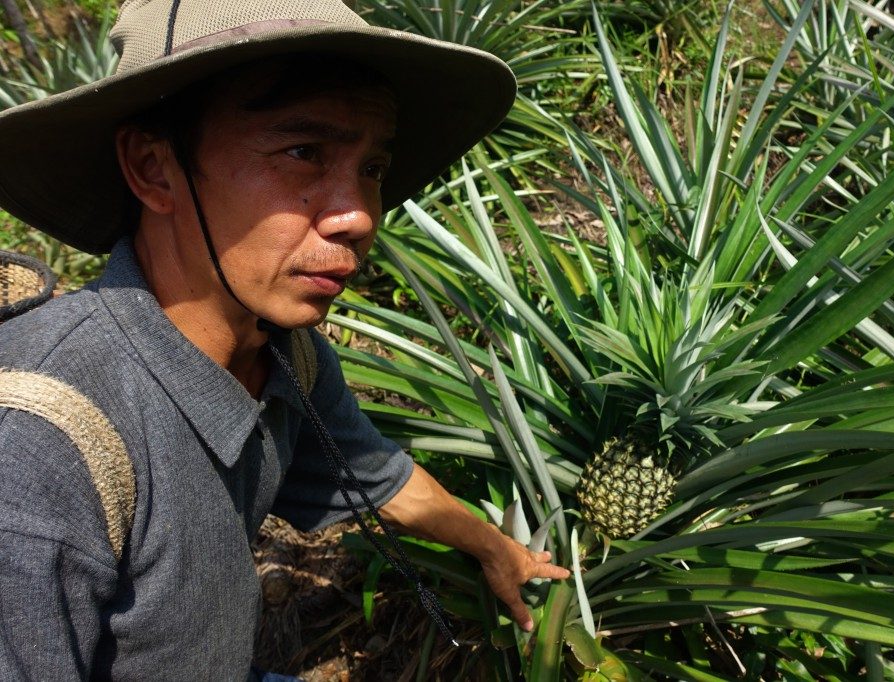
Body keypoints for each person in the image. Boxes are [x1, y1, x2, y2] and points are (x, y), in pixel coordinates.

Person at [0, 1, 570, 678]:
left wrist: (494, 549)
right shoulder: (42, 448)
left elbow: (379, 479)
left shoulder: (279, 353)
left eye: (372, 169)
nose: (359, 215)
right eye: (302, 153)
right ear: (154, 169)